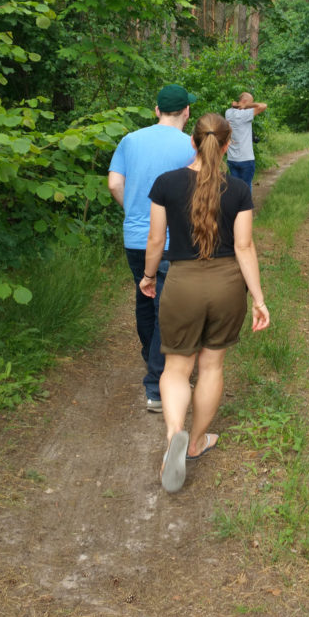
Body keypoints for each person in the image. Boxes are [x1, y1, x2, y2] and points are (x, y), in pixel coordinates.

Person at [139, 112, 270, 493]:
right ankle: (195, 443)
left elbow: (154, 240)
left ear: (192, 143)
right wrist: (259, 300)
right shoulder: (239, 190)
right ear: (227, 146)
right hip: (228, 284)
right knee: (211, 366)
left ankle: (174, 433)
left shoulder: (166, 184)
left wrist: (149, 277)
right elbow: (244, 246)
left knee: (177, 368)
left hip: (182, 283)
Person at [108, 84, 197, 412]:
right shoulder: (191, 144)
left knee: (145, 298)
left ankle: (152, 357)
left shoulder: (130, 140)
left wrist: (132, 211)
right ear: (187, 112)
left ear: (156, 110)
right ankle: (158, 385)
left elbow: (115, 183)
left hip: (135, 238)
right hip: (174, 240)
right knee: (168, 309)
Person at [224, 92, 267, 192]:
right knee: (246, 187)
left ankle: (236, 207)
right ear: (244, 102)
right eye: (250, 103)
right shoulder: (245, 114)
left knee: (235, 188)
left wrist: (240, 105)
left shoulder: (228, 112)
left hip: (232, 159)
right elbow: (263, 105)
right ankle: (246, 207)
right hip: (246, 159)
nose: (250, 106)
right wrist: (247, 106)